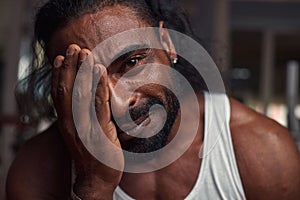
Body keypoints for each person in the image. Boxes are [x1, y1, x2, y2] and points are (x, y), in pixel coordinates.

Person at [6, 0, 300, 199]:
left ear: (168, 44)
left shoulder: (261, 152)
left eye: (132, 62)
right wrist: (94, 186)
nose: (119, 104)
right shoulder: (37, 172)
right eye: (87, 80)